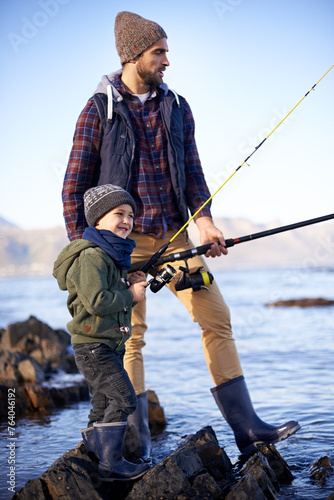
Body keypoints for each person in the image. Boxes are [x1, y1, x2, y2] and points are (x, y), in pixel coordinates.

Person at [62, 11, 300, 458]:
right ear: (134, 55)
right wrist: (88, 252)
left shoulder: (177, 106)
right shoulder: (98, 111)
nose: (168, 60)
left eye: (167, 51)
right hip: (119, 248)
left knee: (216, 317)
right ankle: (134, 446)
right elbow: (74, 187)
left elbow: (192, 171)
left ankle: (247, 430)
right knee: (128, 338)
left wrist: (205, 220)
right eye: (160, 52)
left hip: (176, 240)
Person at [53, 184, 150, 481]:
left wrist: (128, 280)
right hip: (94, 346)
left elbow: (109, 289)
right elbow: (97, 302)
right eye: (118, 213)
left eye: (130, 215)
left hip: (107, 345)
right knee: (124, 399)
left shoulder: (110, 254)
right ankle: (112, 463)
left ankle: (96, 453)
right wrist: (131, 295)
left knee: (103, 401)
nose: (126, 220)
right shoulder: (91, 256)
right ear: (97, 220)